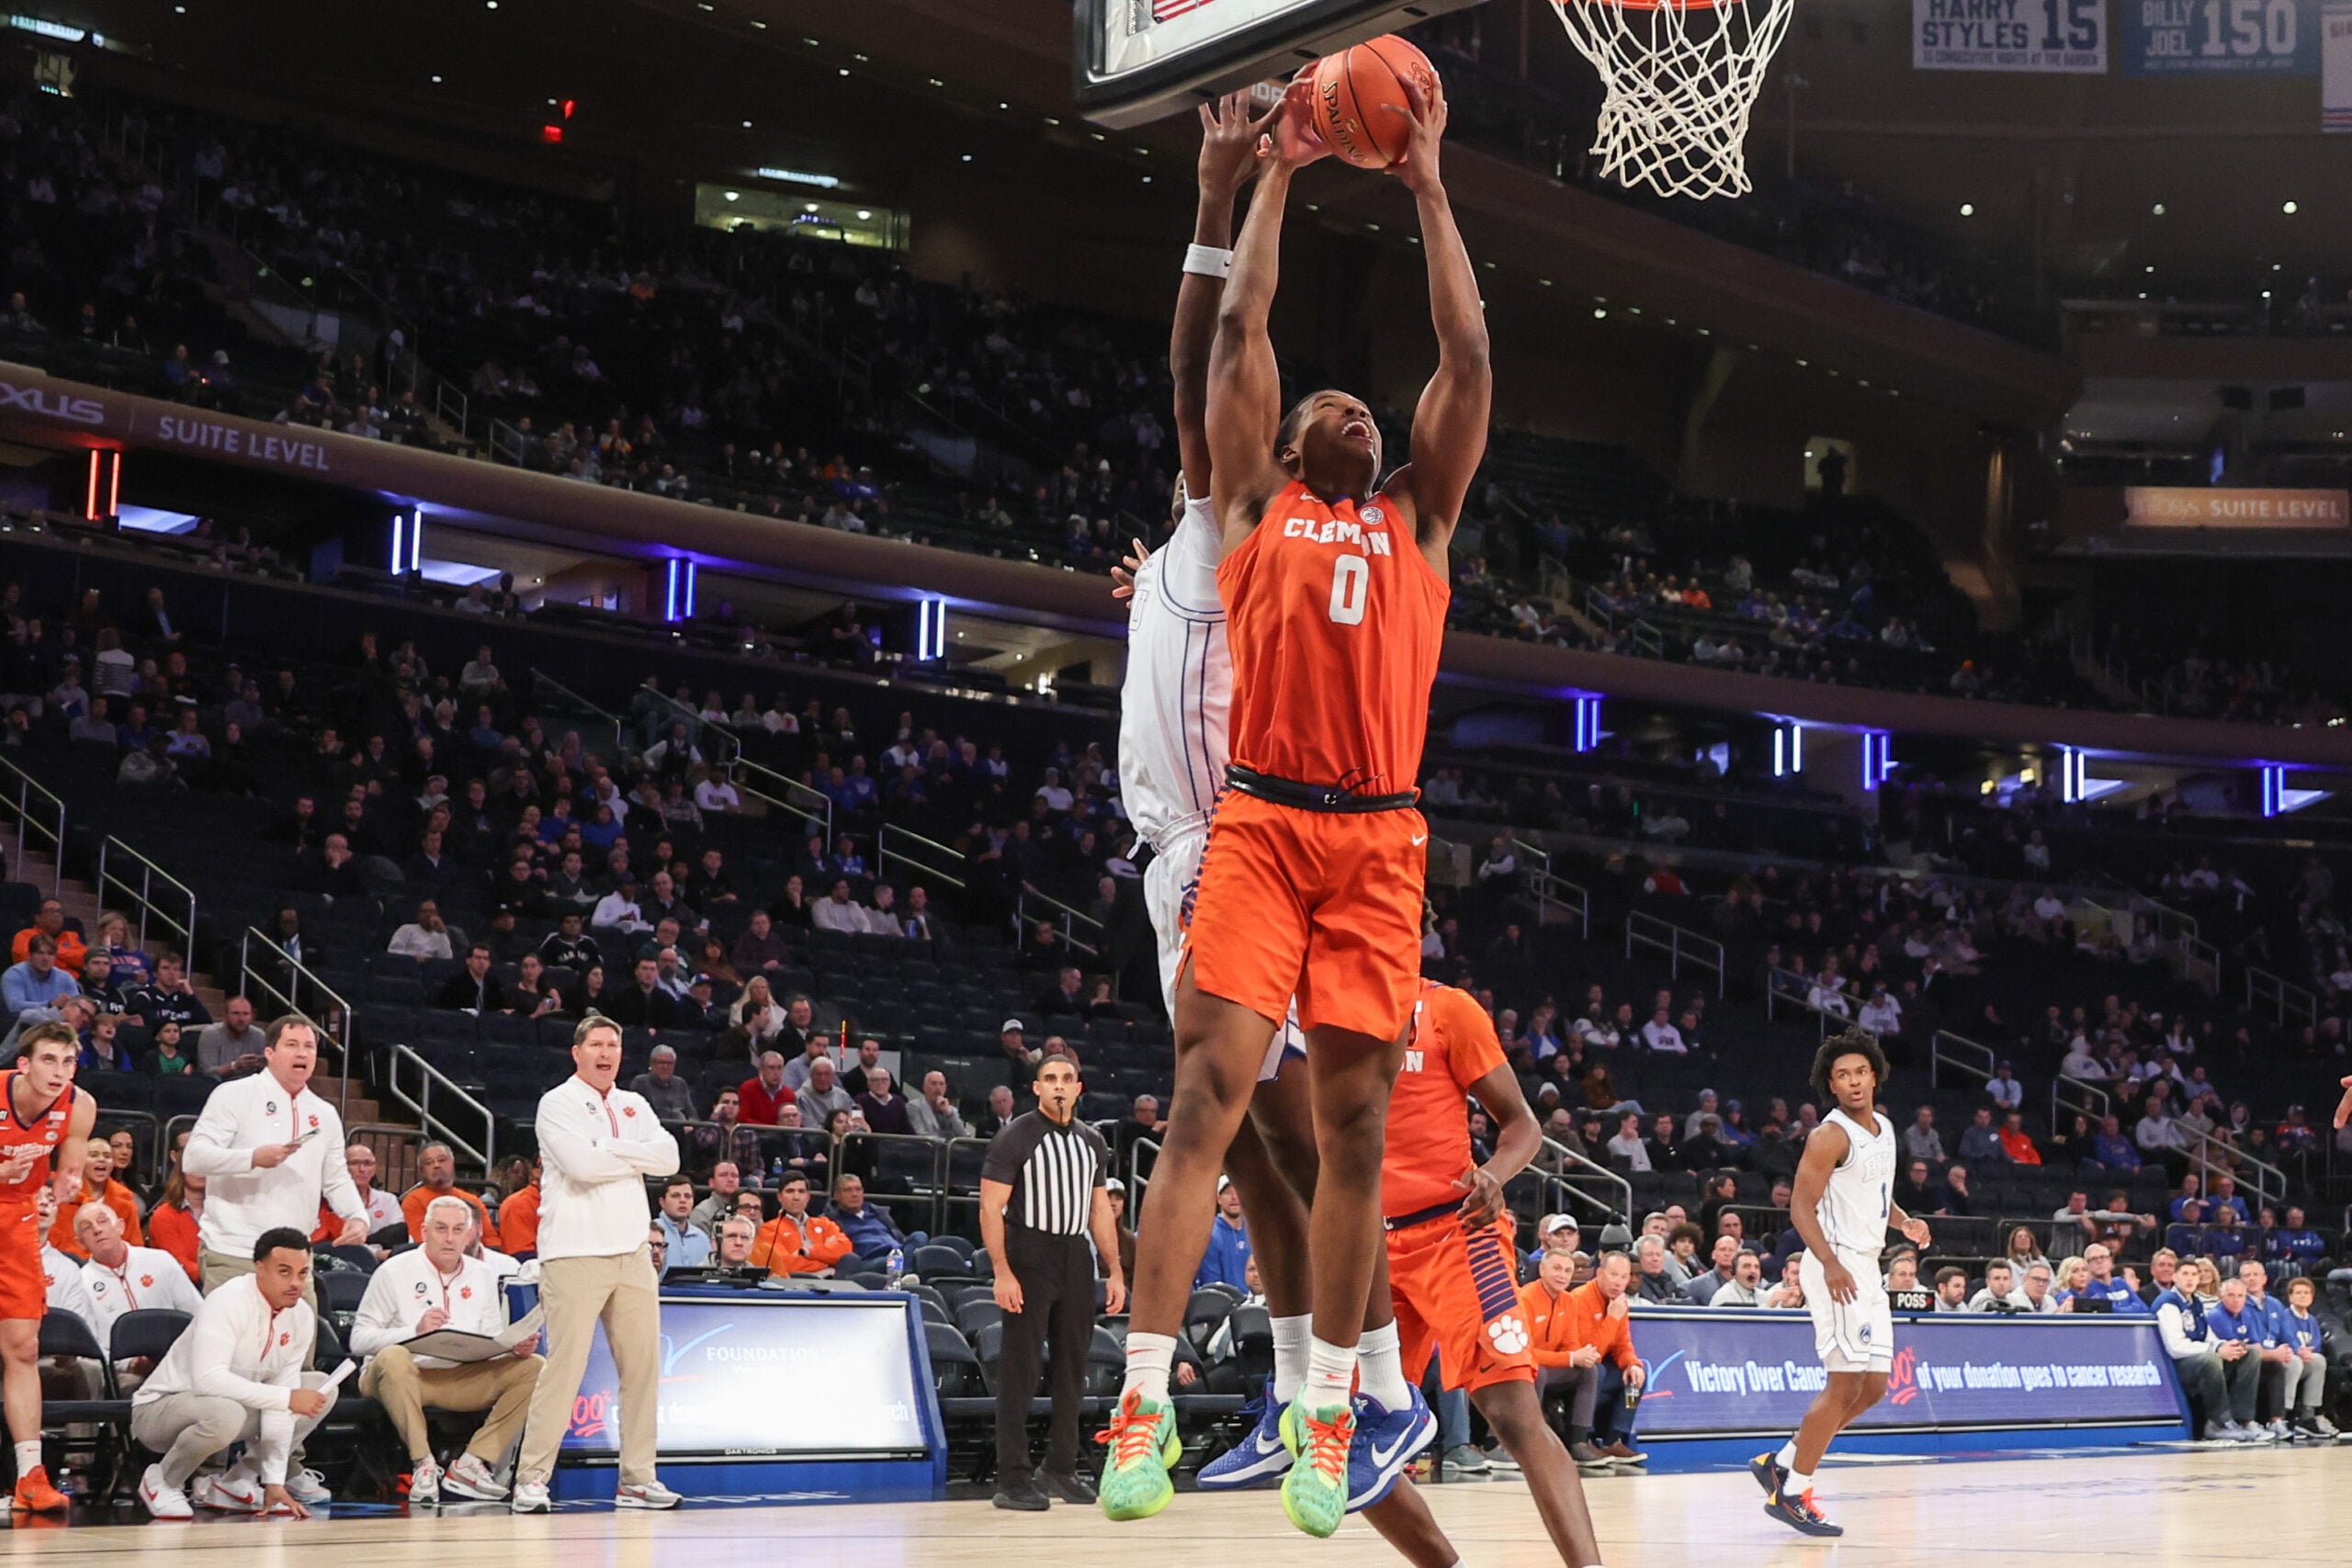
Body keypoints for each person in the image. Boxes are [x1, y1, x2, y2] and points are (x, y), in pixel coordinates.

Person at [1102, 66, 1484, 1545]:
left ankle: (1333, 1403)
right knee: (1222, 1108)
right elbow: (1237, 335)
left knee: (1339, 1131)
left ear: (1380, 445)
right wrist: (1271, 171)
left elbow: (1464, 345)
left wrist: (1430, 181)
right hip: (1250, 822)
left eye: (1358, 400)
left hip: (1374, 834)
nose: (1339, 396)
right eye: (1314, 398)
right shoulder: (1245, 513)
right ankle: (1159, 1396)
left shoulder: (1419, 521)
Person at [1372, 981, 1609, 1557]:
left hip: (1457, 1232)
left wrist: (1495, 1175)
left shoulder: (1447, 1008)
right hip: (1368, 1245)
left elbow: (1522, 1124)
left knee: (1511, 1414)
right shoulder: (1328, 1007)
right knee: (1352, 1441)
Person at [1752, 1028, 1930, 1537]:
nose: (1853, 1082)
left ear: (1875, 1075)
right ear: (1830, 1085)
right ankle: (1792, 1492)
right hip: (1837, 1264)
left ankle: (1782, 1460)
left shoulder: (1887, 1128)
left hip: (1869, 1263)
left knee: (1874, 1386)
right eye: (1841, 1076)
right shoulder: (1828, 1135)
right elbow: (1799, 1206)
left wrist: (1905, 1222)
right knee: (1845, 1381)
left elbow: (1876, 1196)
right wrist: (1829, 1264)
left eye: (1860, 1072)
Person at [509, 1015, 683, 1513]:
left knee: (644, 1369)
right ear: (577, 1052)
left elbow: (669, 1159)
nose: (606, 1053)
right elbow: (581, 1169)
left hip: (633, 1254)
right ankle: (532, 1479)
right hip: (574, 1250)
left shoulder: (635, 1103)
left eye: (614, 1044)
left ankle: (636, 1479)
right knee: (564, 1368)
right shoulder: (557, 1102)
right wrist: (635, 1157)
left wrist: (608, 1146)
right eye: (597, 1044)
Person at [978, 1052, 1124, 1510]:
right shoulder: (1015, 1136)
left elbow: (1101, 1210)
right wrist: (1001, 1271)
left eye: (1066, 1079)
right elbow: (989, 1208)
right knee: (1021, 1369)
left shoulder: (1092, 1141)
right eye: (1049, 1079)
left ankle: (1060, 1466)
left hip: (1074, 1255)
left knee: (1072, 1366)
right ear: (1036, 1087)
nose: (1058, 1086)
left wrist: (1114, 1269)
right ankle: (1013, 1477)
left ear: (1079, 1087)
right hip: (1028, 1251)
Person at [130, 1226, 339, 1518]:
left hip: (231, 1407)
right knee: (231, 1413)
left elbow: (284, 1401)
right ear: (259, 1269)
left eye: (303, 1273)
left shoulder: (302, 1316)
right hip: (160, 1410)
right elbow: (208, 1379)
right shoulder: (227, 1300)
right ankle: (163, 1480)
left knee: (320, 1387)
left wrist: (274, 1480)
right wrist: (285, 1398)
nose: (295, 1283)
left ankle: (237, 1480)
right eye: (284, 1272)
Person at [351, 1193, 544, 1503]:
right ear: (424, 1232)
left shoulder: (482, 1274)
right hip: (399, 1376)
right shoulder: (393, 1271)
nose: (449, 1238)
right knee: (392, 1356)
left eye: (457, 1230)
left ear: (470, 1235)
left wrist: (512, 1347)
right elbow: (358, 1340)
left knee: (533, 1366)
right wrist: (413, 1331)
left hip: (457, 1376)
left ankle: (473, 1462)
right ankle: (423, 1464)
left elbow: (490, 1336)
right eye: (441, 1229)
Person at [181, 1015, 368, 1292]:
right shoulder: (233, 1094)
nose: (302, 1052)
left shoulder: (325, 1113)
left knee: (303, 1335)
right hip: (235, 1249)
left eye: (309, 1046)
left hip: (297, 1257)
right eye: (292, 1044)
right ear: (269, 1053)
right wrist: (252, 1158)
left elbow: (336, 1178)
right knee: (233, 1335)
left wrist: (357, 1215)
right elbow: (194, 1158)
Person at [0, 1022, 94, 1511]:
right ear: (24, 1064)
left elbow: (71, 1164)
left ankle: (30, 1476)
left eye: (68, 1062)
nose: (60, 1072)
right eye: (49, 1061)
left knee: (24, 1345)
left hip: (15, 1218)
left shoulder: (80, 1103)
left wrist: (66, 1185)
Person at [1521, 1249, 1646, 1465]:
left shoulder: (1618, 1303)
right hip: (1571, 1370)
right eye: (1613, 1275)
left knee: (1636, 1376)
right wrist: (1611, 1319)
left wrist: (1632, 1363)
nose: (1619, 1282)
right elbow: (1588, 1354)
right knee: (1597, 1370)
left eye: (1624, 1277)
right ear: (1599, 1273)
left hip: (1585, 1369)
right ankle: (1583, 1437)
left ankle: (1615, 1438)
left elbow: (1623, 1345)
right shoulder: (1580, 1299)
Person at [74, 1199, 202, 1376]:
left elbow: (197, 1313)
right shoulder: (80, 1282)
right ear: (80, 1243)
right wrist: (128, 1365)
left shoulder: (161, 1261)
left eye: (102, 1221)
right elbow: (87, 1347)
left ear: (120, 1227)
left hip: (178, 1362)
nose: (97, 1230)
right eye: (87, 1228)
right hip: (122, 1372)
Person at [749, 1172, 851, 1277]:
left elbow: (845, 1249)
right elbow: (784, 1264)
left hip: (833, 1278)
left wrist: (807, 1252)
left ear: (808, 1197)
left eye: (801, 1191)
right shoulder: (769, 1229)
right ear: (780, 1197)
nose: (796, 1197)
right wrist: (827, 1264)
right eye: (790, 1191)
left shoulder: (825, 1224)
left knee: (852, 1261)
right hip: (798, 1282)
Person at [654, 1176, 713, 1269]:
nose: (683, 1200)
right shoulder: (650, 1233)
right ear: (662, 1202)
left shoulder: (702, 1238)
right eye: (676, 1196)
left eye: (688, 1196)